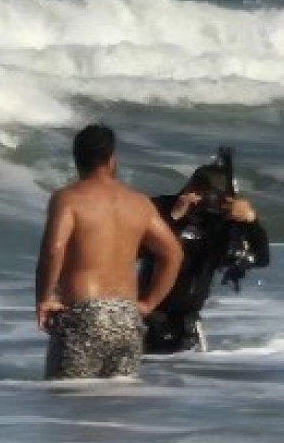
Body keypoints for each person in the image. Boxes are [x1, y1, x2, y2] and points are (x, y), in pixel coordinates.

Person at [35, 124, 183, 379]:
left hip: (84, 316)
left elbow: (54, 248)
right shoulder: (139, 203)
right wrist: (149, 303)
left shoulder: (68, 199)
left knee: (68, 405)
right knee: (118, 411)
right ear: (112, 159)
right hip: (127, 318)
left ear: (77, 159)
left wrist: (44, 297)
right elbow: (173, 254)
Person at [138, 158, 270, 354]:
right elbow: (137, 250)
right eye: (197, 188)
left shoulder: (220, 226)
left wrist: (252, 223)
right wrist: (173, 218)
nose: (200, 198)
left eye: (211, 194)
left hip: (187, 322)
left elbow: (261, 258)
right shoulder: (160, 208)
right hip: (148, 316)